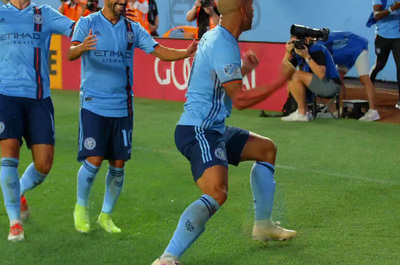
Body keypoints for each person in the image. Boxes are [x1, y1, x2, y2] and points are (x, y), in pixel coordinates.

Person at [152, 0, 297, 264]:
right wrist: (281, 80)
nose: (253, 11)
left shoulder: (217, 35)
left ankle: (263, 225)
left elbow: (216, 80)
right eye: (251, 7)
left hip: (213, 127)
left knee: (266, 149)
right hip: (199, 130)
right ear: (242, 11)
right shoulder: (223, 42)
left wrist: (245, 70)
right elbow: (240, 101)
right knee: (217, 192)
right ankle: (167, 257)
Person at [68, 0, 198, 234]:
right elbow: (70, 52)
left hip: (122, 105)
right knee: (94, 159)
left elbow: (158, 50)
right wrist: (81, 47)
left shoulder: (132, 28)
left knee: (118, 163)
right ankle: (81, 207)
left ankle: (106, 216)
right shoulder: (88, 22)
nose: (123, 2)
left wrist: (185, 53)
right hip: (93, 103)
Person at [0, 0, 75, 242]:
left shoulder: (45, 14)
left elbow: (76, 29)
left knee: (44, 164)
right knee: (8, 154)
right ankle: (15, 223)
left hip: (39, 99)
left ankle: (18, 191)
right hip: (5, 96)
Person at [318, 31, 380, 121]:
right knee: (337, 77)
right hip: (345, 54)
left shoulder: (318, 45)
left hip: (358, 48)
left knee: (364, 78)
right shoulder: (317, 42)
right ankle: (341, 109)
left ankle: (373, 111)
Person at [281, 36, 342, 122]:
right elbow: (284, 72)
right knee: (290, 76)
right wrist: (288, 52)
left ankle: (302, 113)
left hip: (331, 85)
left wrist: (307, 56)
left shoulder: (317, 49)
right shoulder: (297, 53)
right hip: (316, 86)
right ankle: (304, 112)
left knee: (295, 75)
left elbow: (321, 74)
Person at [370, 0, 400, 109]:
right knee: (380, 65)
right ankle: (370, 81)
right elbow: (376, 15)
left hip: (398, 37)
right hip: (383, 36)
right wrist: (392, 8)